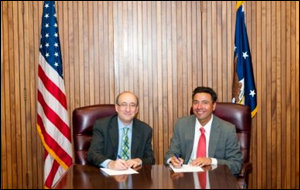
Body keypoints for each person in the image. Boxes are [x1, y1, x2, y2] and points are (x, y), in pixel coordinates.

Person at [164, 86, 242, 175]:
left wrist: (210, 161)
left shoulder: (227, 129)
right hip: (186, 179)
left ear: (213, 106)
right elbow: (170, 154)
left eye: (205, 103)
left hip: (215, 179)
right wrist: (172, 160)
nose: (199, 107)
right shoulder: (182, 125)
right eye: (195, 102)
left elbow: (236, 165)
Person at [87, 91, 155, 170]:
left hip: (134, 178)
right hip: (107, 178)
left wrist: (139, 161)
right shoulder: (102, 126)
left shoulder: (145, 130)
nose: (128, 109)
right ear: (116, 107)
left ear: (137, 109)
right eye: (124, 104)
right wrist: (110, 163)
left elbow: (150, 159)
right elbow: (92, 154)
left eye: (132, 105)